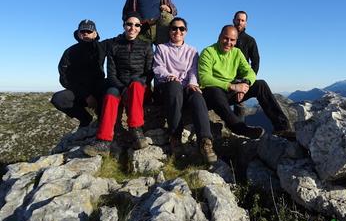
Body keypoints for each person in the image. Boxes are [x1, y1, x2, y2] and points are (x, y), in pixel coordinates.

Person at [198, 25, 291, 139]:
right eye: (225, 38)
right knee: (215, 91)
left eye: (232, 40)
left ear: (236, 41)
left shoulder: (237, 53)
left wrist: (245, 85)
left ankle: (282, 128)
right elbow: (204, 78)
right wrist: (232, 86)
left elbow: (250, 72)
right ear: (219, 37)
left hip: (229, 92)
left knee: (261, 85)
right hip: (212, 94)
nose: (228, 42)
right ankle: (239, 128)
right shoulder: (208, 52)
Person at [83, 13, 153, 156]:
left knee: (136, 85)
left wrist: (136, 83)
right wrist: (122, 89)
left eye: (136, 25)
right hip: (119, 85)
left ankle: (136, 130)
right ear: (124, 25)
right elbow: (111, 74)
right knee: (110, 94)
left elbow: (149, 72)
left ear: (140, 28)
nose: (132, 28)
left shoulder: (146, 46)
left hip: (139, 87)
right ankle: (104, 141)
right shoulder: (114, 46)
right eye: (129, 24)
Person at [153, 17, 217, 163]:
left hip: (185, 86)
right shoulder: (162, 48)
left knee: (197, 96)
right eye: (174, 28)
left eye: (181, 29)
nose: (178, 31)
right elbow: (158, 68)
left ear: (186, 32)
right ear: (169, 31)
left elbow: (193, 70)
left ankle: (205, 141)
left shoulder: (192, 51)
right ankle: (175, 137)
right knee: (174, 85)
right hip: (167, 87)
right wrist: (169, 76)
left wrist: (193, 83)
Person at [51, 20, 111, 127]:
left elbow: (121, 40)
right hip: (79, 91)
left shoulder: (103, 47)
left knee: (111, 89)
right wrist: (85, 95)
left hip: (99, 88)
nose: (86, 33)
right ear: (78, 34)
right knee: (58, 99)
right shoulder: (70, 52)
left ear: (95, 33)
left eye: (89, 31)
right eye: (83, 31)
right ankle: (85, 119)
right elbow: (64, 77)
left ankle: (103, 121)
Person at [233, 10, 260, 120]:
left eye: (242, 20)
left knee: (239, 104)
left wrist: (249, 80)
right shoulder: (226, 37)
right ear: (234, 20)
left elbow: (256, 61)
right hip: (224, 76)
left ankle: (238, 130)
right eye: (238, 20)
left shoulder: (250, 40)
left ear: (246, 23)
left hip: (241, 79)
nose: (240, 22)